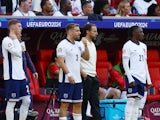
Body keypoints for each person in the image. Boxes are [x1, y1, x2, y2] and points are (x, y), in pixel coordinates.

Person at [56, 23, 89, 120]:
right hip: (66, 80)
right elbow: (60, 62)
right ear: (70, 32)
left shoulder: (79, 45)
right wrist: (69, 75)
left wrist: (85, 46)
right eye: (77, 31)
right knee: (65, 104)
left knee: (78, 103)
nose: (79, 33)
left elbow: (86, 57)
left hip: (78, 80)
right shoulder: (62, 44)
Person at [2, 19, 30, 120]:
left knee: (27, 100)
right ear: (12, 28)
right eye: (19, 26)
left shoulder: (20, 42)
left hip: (21, 76)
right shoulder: (6, 40)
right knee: (12, 102)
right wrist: (15, 39)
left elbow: (23, 58)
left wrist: (25, 74)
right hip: (11, 77)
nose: (21, 28)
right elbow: (17, 53)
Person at [122, 26, 152, 120]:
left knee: (137, 102)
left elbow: (145, 63)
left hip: (142, 78)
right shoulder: (127, 45)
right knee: (131, 100)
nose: (143, 34)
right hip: (133, 76)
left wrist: (149, 80)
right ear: (134, 33)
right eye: (141, 32)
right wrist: (130, 78)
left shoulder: (144, 46)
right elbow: (125, 63)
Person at [81, 23, 101, 120]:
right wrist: (82, 72)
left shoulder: (92, 44)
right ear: (87, 32)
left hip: (94, 75)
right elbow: (77, 60)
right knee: (84, 102)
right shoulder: (82, 43)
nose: (96, 33)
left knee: (95, 102)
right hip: (85, 76)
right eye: (94, 31)